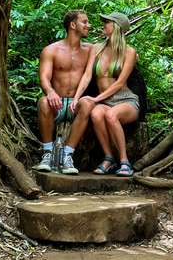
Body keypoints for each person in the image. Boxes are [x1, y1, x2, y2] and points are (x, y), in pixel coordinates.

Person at [70, 11, 139, 177]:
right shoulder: (96, 48)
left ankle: (124, 162)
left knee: (111, 115)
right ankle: (109, 158)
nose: (103, 25)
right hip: (105, 101)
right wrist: (76, 98)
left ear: (116, 27)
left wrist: (95, 99)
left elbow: (120, 83)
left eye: (107, 22)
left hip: (125, 100)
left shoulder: (129, 52)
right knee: (95, 114)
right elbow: (87, 75)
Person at [33, 9, 97, 174]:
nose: (88, 25)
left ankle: (67, 155)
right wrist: (50, 92)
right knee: (43, 102)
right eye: (85, 22)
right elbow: (44, 77)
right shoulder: (51, 50)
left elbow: (87, 75)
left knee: (88, 103)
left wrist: (77, 98)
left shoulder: (90, 49)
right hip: (57, 103)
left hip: (76, 104)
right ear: (73, 25)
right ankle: (47, 153)